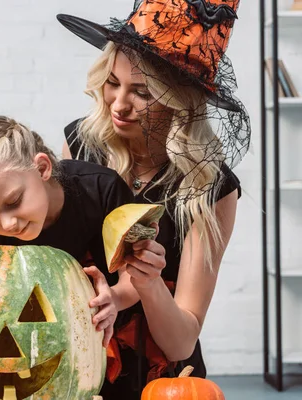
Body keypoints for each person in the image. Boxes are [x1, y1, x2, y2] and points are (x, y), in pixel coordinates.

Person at [56, 0, 250, 398]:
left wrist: (148, 283)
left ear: (180, 99)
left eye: (142, 92)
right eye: (112, 82)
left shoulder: (209, 189)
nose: (118, 104)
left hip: (161, 382)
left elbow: (180, 342)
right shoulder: (80, 147)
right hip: (77, 364)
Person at [0, 115, 139, 347]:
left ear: (42, 168)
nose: (8, 225)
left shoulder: (101, 189)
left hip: (105, 342)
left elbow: (136, 272)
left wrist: (115, 297)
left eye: (13, 202)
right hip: (24, 351)